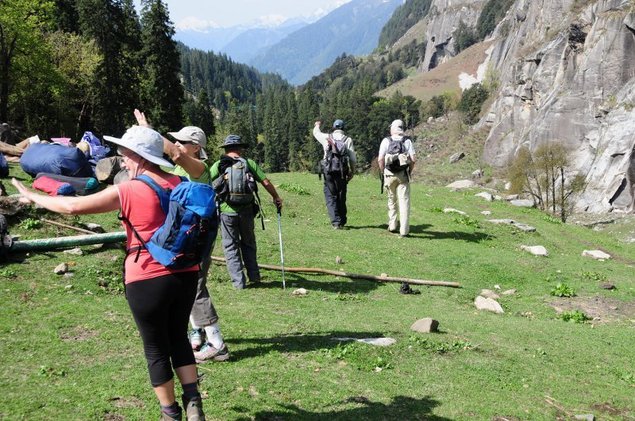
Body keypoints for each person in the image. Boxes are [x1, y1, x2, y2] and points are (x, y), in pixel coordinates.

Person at [12, 126, 206, 421]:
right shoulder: (179, 182)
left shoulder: (129, 189)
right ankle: (193, 400)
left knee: (155, 347)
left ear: (139, 157)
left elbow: (73, 206)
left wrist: (33, 196)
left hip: (146, 277)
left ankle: (170, 414)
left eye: (126, 155)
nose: (124, 160)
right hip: (186, 273)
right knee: (178, 335)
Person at [134, 110, 229, 363]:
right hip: (181, 235)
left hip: (196, 237)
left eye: (181, 141)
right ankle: (196, 333)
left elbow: (173, 152)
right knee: (185, 284)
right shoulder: (177, 168)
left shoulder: (200, 169)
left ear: (195, 148)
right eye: (174, 140)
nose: (176, 144)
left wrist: (147, 131)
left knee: (195, 285)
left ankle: (217, 342)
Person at [211, 134, 283, 289]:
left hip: (226, 211)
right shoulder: (248, 163)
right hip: (247, 210)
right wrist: (276, 197)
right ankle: (254, 276)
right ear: (240, 149)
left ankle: (238, 283)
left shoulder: (219, 164)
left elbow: (205, 181)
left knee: (230, 246)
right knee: (248, 243)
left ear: (226, 149)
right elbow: (265, 181)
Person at [312, 119, 356, 229]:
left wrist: (317, 125)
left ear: (333, 127)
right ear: (343, 128)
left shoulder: (327, 137)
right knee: (341, 195)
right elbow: (352, 158)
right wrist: (352, 171)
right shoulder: (347, 140)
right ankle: (342, 221)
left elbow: (316, 133)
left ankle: (335, 222)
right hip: (342, 171)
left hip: (329, 171)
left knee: (330, 195)